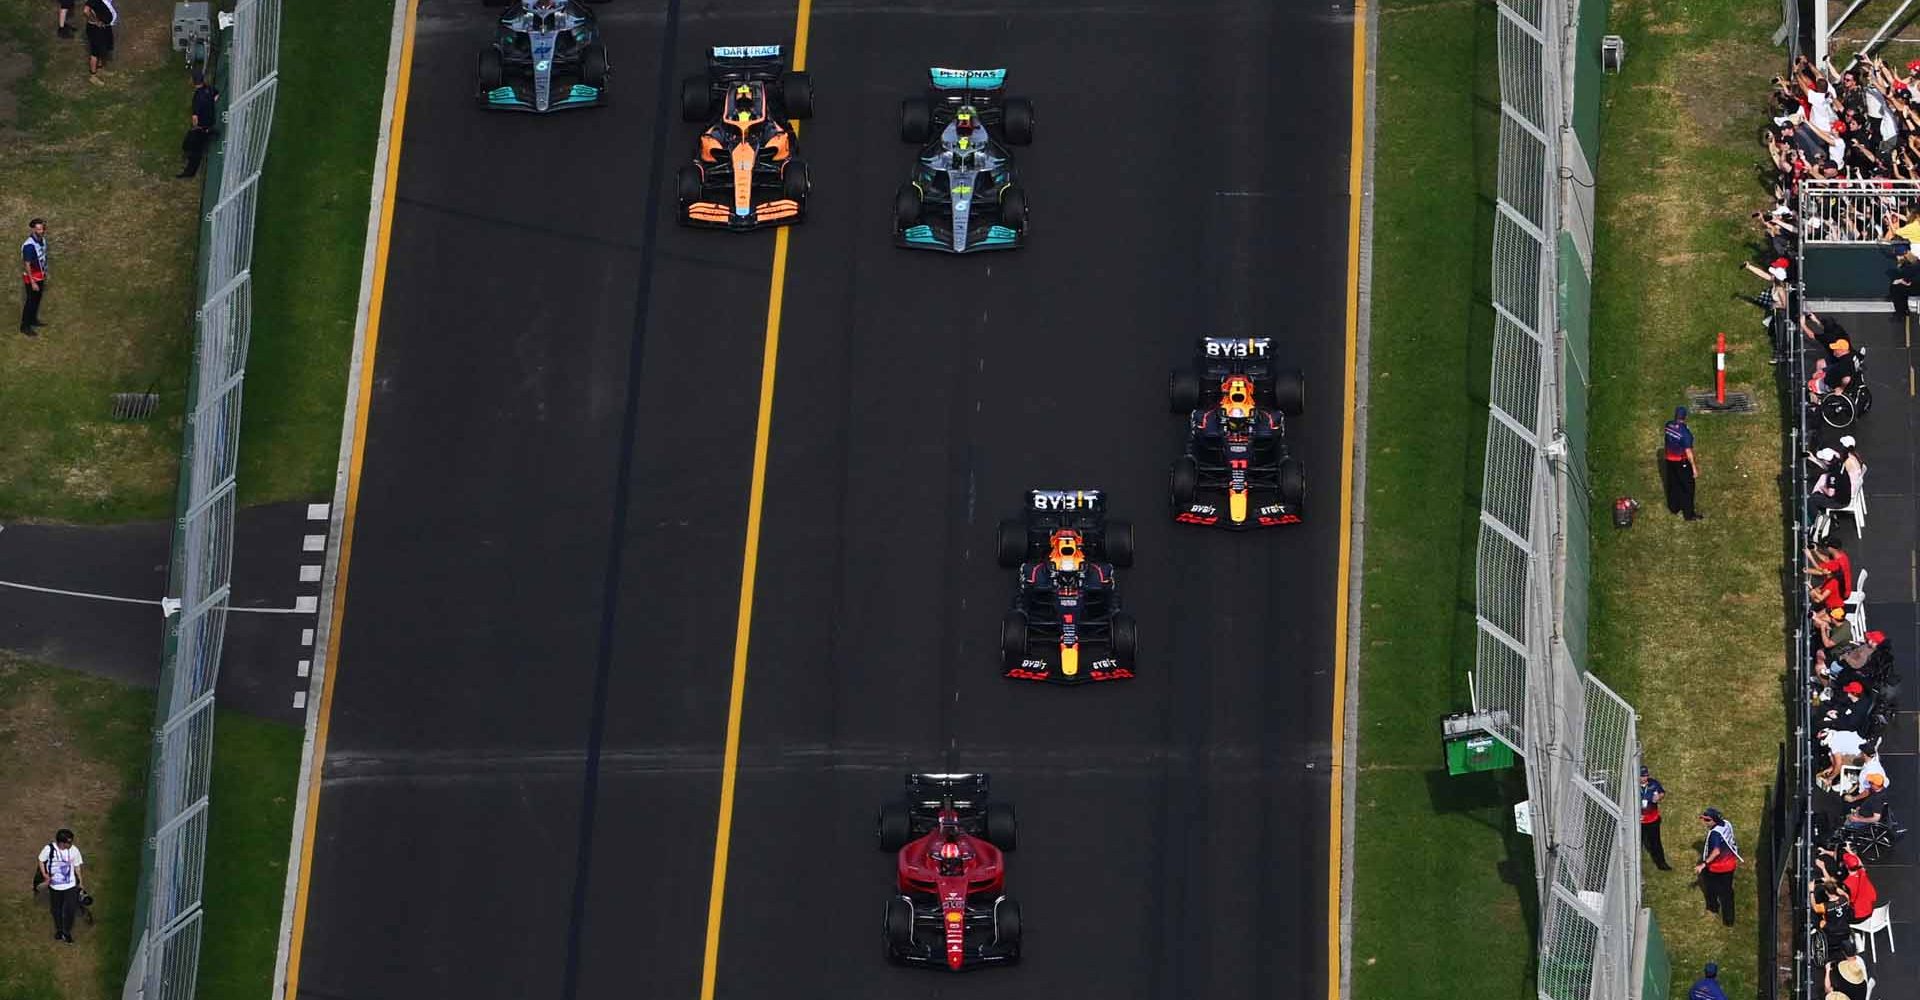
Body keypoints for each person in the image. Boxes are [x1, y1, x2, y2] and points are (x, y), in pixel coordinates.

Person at [37, 829, 85, 942]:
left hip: (70, 886)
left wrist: (81, 882)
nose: (71, 844)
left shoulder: (74, 851)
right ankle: (59, 930)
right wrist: (45, 875)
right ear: (61, 843)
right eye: (69, 842)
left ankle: (66, 932)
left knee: (70, 909)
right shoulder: (49, 849)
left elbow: (77, 867)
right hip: (55, 887)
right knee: (56, 909)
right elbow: (41, 860)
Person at [1695, 807, 1740, 925]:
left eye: (1707, 820)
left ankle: (1713, 907)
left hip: (1718, 867)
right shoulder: (1726, 824)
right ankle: (1729, 920)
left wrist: (1703, 864)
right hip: (1730, 864)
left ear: (1714, 821)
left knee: (1710, 887)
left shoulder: (1715, 834)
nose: (1704, 822)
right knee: (1728, 892)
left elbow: (1716, 851)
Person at [1662, 406, 1702, 520]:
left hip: (1669, 461)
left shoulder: (1668, 425)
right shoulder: (1685, 433)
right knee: (1688, 488)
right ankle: (1689, 514)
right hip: (1681, 462)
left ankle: (1674, 507)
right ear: (1685, 417)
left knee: (1673, 484)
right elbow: (1688, 451)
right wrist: (1694, 467)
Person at [180, 70, 219, 178]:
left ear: (194, 82)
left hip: (202, 126)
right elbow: (217, 95)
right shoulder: (209, 88)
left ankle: (190, 171)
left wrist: (195, 127)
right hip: (211, 120)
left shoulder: (197, 98)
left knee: (193, 146)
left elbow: (195, 117)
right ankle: (208, 134)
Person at [1639, 766, 1672, 870]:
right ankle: (1636, 866)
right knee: (1637, 843)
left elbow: (1662, 792)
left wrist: (1659, 797)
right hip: (1638, 820)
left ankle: (1661, 863)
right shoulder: (1632, 786)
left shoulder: (1653, 783)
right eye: (1642, 776)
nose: (1645, 778)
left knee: (1656, 843)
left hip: (1652, 819)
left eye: (1646, 776)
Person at [19, 217, 47, 336]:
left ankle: (33, 320)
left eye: (42, 229)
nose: (41, 231)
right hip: (33, 278)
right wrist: (33, 282)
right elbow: (27, 264)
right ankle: (25, 326)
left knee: (37, 300)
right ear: (33, 229)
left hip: (40, 276)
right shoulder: (29, 246)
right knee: (30, 301)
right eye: (39, 229)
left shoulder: (42, 240)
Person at [82, 0, 116, 83]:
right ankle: (93, 76)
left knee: (102, 49)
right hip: (95, 29)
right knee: (95, 52)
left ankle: (100, 70)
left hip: (105, 27)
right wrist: (96, 21)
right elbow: (86, 10)